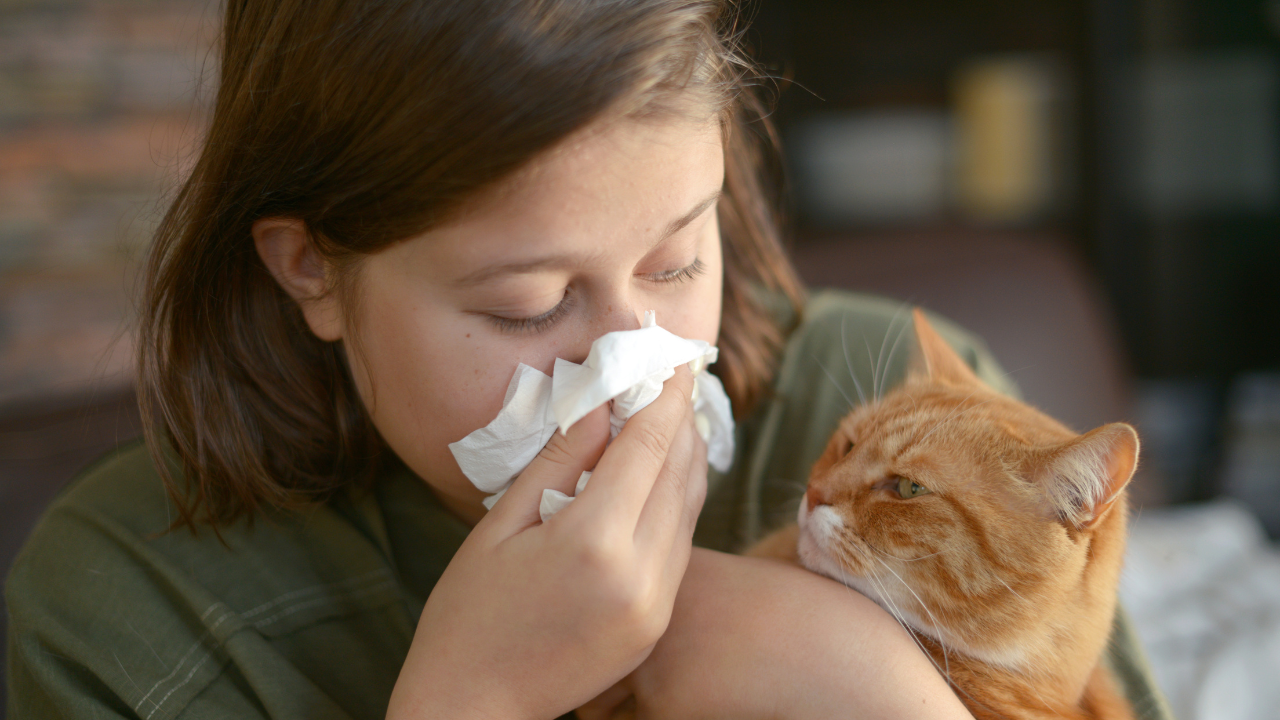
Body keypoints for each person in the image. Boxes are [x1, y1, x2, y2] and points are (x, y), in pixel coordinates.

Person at [5, 1, 1172, 718]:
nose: (643, 362)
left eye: (674, 265)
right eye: (525, 306)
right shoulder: (126, 613)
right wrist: (473, 702)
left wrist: (874, 695)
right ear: (311, 269)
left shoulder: (885, 396)